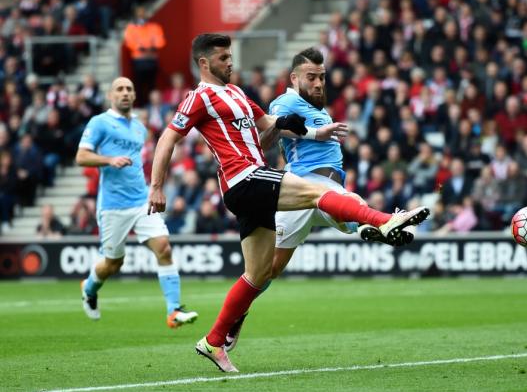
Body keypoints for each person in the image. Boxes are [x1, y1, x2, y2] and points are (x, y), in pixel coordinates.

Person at [147, 34, 429, 372]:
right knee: (315, 194)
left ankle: (214, 341)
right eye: (223, 58)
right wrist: (157, 187)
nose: (230, 63)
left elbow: (268, 125)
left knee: (259, 274)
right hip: (243, 178)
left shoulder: (237, 93)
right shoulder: (198, 97)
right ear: (204, 63)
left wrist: (297, 129)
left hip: (254, 179)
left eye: (230, 56)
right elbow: (167, 138)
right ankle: (384, 220)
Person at [222, 47, 421, 354]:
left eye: (322, 77)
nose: (318, 83)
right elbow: (267, 137)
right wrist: (302, 130)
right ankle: (381, 223)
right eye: (311, 77)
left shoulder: (319, 107)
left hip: (320, 191)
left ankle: (372, 226)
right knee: (345, 206)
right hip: (304, 185)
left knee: (270, 270)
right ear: (294, 78)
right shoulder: (286, 101)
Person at [76, 77, 198, 328]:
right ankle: (89, 287)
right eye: (119, 89)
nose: (124, 93)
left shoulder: (139, 128)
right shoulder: (100, 123)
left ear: (133, 96)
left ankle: (173, 311)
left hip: (141, 200)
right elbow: (81, 156)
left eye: (129, 89)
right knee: (113, 263)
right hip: (112, 206)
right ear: (111, 95)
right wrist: (109, 160)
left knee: (163, 247)